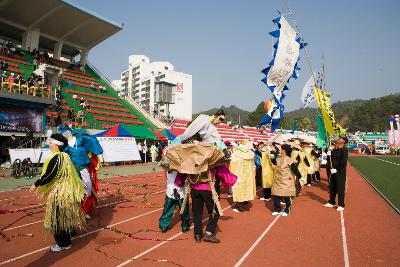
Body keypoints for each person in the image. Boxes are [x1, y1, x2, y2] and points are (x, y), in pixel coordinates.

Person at [29, 133, 85, 252]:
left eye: (51, 143)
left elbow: (50, 175)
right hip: (66, 192)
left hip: (59, 193)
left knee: (56, 218)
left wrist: (36, 183)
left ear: (57, 145)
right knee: (65, 214)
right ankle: (70, 232)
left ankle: (63, 243)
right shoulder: (65, 156)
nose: (50, 145)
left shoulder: (57, 157)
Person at [271, 144, 303, 216]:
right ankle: (277, 209)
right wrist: (272, 158)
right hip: (278, 179)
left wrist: (300, 177)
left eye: (281, 149)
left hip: (286, 180)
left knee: (287, 195)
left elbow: (294, 169)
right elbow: (274, 163)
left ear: (284, 151)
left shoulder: (289, 159)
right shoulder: (279, 158)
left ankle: (287, 210)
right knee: (276, 194)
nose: (280, 150)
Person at [323, 136, 349, 211]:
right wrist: (328, 152)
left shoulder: (344, 150)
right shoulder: (335, 149)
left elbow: (343, 163)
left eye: (340, 138)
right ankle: (331, 202)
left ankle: (341, 205)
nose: (338, 139)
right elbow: (330, 159)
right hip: (332, 171)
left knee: (340, 188)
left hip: (340, 172)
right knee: (332, 187)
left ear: (343, 142)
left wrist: (337, 169)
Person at [230, 141, 256, 212]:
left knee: (239, 189)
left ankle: (240, 206)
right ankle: (245, 205)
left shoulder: (236, 153)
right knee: (246, 188)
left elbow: (233, 162)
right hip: (248, 175)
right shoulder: (250, 153)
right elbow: (253, 165)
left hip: (239, 174)